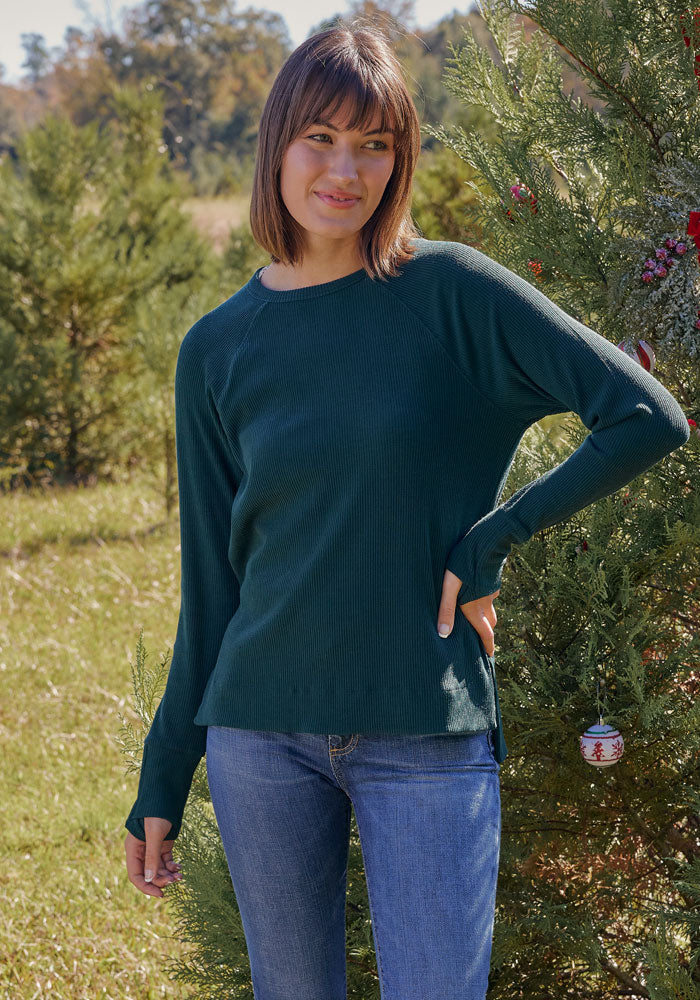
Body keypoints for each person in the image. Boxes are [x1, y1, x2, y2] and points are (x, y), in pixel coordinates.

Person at [123, 20, 690, 1000]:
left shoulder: (450, 293)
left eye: (374, 144)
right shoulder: (217, 349)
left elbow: (643, 415)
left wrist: (493, 537)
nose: (346, 169)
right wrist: (162, 776)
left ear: (399, 157)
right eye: (321, 138)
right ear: (276, 146)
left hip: (423, 733)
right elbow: (211, 591)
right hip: (261, 737)